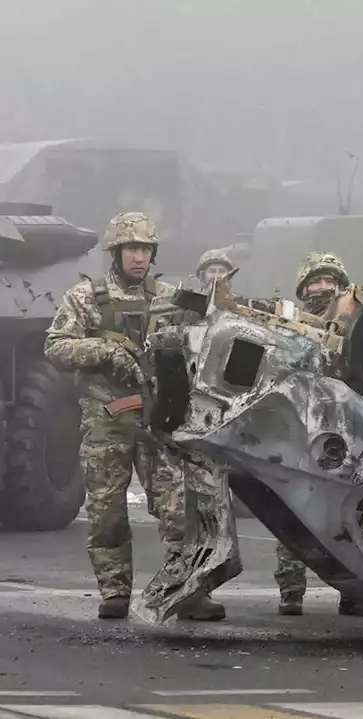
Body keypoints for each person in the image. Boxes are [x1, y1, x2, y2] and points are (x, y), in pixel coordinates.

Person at [44, 212, 225, 621]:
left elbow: (207, 335)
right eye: (132, 249)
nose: (139, 257)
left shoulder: (168, 296)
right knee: (107, 512)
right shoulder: (86, 298)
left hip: (158, 421)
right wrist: (104, 351)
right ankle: (114, 591)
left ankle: (188, 591)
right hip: (106, 422)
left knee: (179, 511)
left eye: (145, 249)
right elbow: (56, 347)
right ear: (116, 252)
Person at [274, 251, 363, 618]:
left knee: (351, 513)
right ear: (304, 289)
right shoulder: (287, 323)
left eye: (329, 281)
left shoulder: (358, 321)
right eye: (314, 282)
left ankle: (355, 593)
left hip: (347, 428)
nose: (322, 288)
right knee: (291, 507)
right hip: (300, 426)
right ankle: (291, 591)